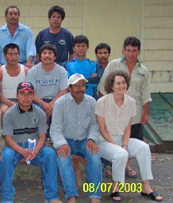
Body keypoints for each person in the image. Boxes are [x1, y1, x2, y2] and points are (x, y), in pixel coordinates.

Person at [95, 71, 162, 202]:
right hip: (104, 141)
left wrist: (125, 144)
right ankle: (115, 188)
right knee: (121, 154)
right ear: (112, 86)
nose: (122, 86)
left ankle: (146, 187)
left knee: (143, 147)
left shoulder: (131, 102)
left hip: (122, 139)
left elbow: (127, 127)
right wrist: (118, 146)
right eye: (118, 83)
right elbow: (102, 130)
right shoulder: (102, 102)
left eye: (124, 82)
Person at [98, 36, 152, 178]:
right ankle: (112, 166)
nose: (131, 54)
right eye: (128, 50)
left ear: (139, 52)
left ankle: (126, 166)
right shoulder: (114, 65)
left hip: (135, 112)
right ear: (123, 50)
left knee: (132, 140)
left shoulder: (144, 71)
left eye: (134, 51)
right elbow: (103, 88)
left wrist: (145, 113)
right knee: (114, 140)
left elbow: (146, 93)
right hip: (114, 112)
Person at [0, 82, 62, 203]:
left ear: (33, 96)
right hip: (15, 147)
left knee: (50, 154)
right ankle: (7, 198)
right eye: (22, 93)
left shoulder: (40, 113)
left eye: (29, 94)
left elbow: (42, 137)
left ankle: (52, 197)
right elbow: (8, 138)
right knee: (6, 157)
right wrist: (21, 151)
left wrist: (35, 151)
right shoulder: (9, 114)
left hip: (35, 147)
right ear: (17, 95)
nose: (26, 97)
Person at [50, 74, 102, 203]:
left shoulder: (91, 101)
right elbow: (55, 128)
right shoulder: (60, 103)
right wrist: (61, 144)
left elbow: (94, 125)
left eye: (83, 85)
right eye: (76, 86)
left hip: (85, 140)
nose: (80, 89)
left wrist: (91, 139)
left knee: (95, 155)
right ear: (69, 88)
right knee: (63, 158)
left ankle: (95, 194)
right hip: (66, 140)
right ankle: (71, 195)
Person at [27, 44, 68, 137]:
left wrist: (51, 104)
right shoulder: (33, 71)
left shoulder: (62, 71)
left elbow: (64, 91)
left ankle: (54, 138)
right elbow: (30, 92)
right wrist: (45, 105)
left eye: (50, 53)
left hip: (56, 101)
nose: (47, 56)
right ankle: (38, 138)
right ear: (40, 56)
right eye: (44, 53)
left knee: (58, 111)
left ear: (55, 56)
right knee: (37, 112)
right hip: (38, 102)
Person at [0, 43, 29, 116]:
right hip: (5, 102)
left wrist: (21, 103)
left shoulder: (26, 71)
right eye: (10, 54)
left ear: (19, 55)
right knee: (4, 111)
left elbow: (30, 91)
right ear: (5, 56)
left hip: (24, 101)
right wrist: (10, 103)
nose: (13, 57)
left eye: (16, 54)